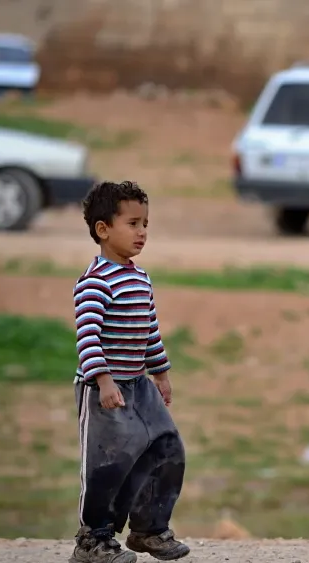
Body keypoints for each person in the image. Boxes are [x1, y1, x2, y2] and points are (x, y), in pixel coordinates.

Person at [71, 181, 191, 563]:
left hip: (139, 385)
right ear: (103, 229)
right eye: (133, 223)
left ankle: (149, 528)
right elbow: (87, 338)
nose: (142, 233)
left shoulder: (140, 278)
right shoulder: (95, 283)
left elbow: (148, 330)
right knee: (110, 464)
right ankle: (94, 540)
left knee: (166, 448)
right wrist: (104, 380)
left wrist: (161, 372)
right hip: (104, 389)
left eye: (146, 224)